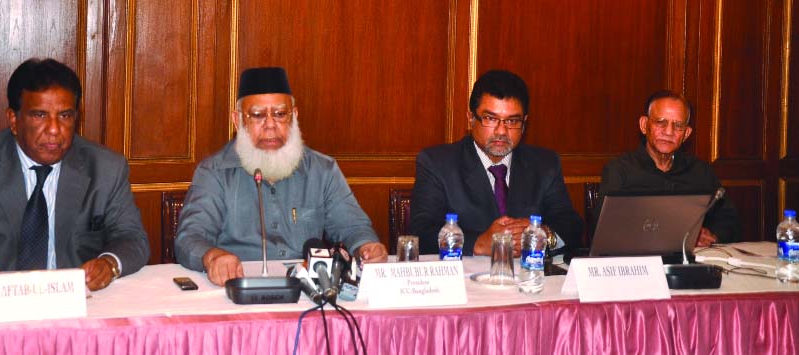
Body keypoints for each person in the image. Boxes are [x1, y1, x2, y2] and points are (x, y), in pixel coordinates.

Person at [0, 58, 150, 291]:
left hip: (77, 305)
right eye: (39, 115)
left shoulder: (105, 167)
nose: (53, 130)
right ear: (13, 120)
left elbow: (132, 239)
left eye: (65, 116)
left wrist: (109, 264)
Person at [174, 67, 387, 286]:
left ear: (293, 117)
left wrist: (367, 246)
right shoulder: (214, 172)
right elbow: (189, 237)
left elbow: (353, 227)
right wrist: (213, 257)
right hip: (238, 289)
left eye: (280, 114)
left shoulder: (322, 169)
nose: (270, 125)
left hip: (308, 290)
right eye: (257, 115)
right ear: (238, 121)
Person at [410, 69, 583, 257]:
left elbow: (571, 225)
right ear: (470, 118)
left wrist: (545, 235)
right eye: (491, 119)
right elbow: (422, 232)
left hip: (528, 277)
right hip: (465, 280)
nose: (501, 131)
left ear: (524, 123)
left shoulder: (544, 164)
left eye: (512, 121)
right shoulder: (437, 163)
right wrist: (477, 244)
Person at [600, 90, 741, 245]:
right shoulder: (620, 170)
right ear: (644, 125)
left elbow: (730, 221)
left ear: (686, 134)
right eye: (661, 122)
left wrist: (713, 236)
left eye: (678, 126)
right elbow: (603, 229)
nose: (669, 132)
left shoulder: (700, 172)